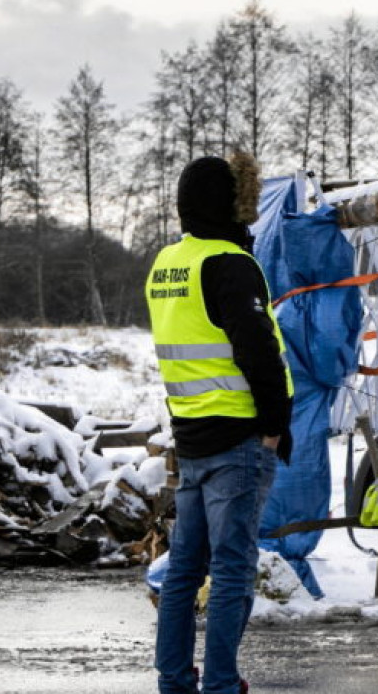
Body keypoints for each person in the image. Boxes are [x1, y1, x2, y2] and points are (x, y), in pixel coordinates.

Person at [148, 153, 294, 694]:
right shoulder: (229, 263)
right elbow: (258, 351)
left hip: (191, 438)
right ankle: (223, 684)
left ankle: (174, 680)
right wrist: (276, 425)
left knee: (185, 571)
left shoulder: (168, 264)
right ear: (229, 205)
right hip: (240, 437)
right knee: (232, 569)